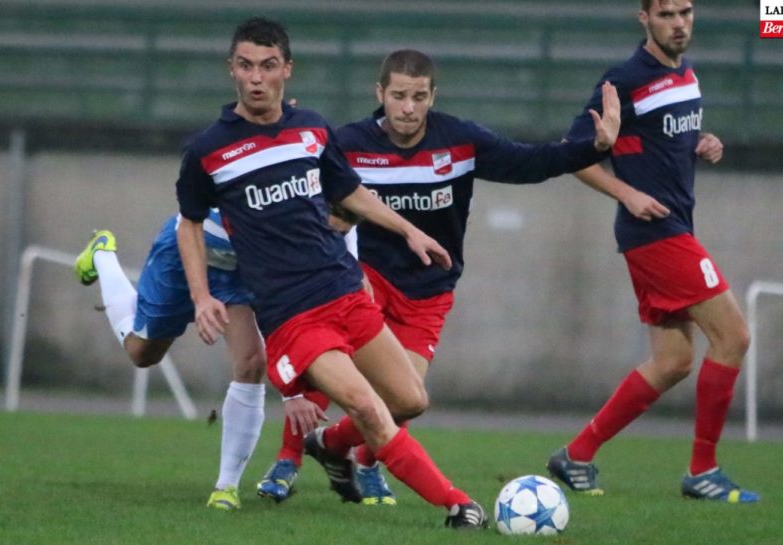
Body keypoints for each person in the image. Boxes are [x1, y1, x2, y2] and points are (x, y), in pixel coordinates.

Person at [257, 47, 622, 506]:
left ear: (433, 96)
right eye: (398, 96)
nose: (408, 108)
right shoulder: (350, 144)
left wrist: (595, 147)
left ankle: (337, 448)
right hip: (364, 279)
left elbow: (530, 163)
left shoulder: (460, 141)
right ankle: (287, 462)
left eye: (418, 96)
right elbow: (295, 175)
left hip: (429, 288)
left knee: (407, 400)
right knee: (324, 365)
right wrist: (279, 130)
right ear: (380, 94)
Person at [174, 17, 487, 529]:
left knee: (411, 399)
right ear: (231, 69)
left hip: (344, 289)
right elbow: (189, 224)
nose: (257, 78)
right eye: (246, 66)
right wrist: (202, 296)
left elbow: (350, 192)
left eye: (268, 66)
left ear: (287, 71)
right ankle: (458, 505)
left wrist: (408, 230)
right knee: (365, 403)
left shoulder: (311, 129)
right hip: (295, 317)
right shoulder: (209, 150)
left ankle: (324, 445)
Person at [545, 0, 759, 504]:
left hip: (674, 228)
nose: (679, 22)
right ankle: (702, 470)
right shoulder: (623, 79)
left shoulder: (686, 74)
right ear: (644, 18)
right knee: (734, 335)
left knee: (673, 361)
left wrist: (704, 143)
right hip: (655, 234)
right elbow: (571, 153)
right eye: (666, 14)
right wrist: (627, 193)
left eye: (685, 11)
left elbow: (665, 142)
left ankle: (576, 455)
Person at [72, 210, 325, 511]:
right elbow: (190, 213)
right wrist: (201, 297)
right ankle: (102, 253)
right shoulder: (215, 165)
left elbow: (281, 310)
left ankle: (225, 488)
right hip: (184, 254)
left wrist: (292, 391)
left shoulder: (302, 192)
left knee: (252, 360)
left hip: (234, 269)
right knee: (141, 353)